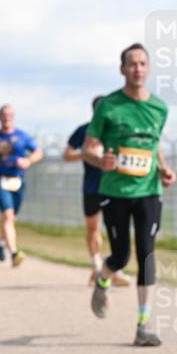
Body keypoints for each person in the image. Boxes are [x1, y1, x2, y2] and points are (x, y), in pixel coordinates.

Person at [83, 43, 176, 347]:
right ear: (123, 69)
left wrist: (164, 169)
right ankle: (103, 279)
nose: (138, 69)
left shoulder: (160, 108)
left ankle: (143, 326)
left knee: (146, 255)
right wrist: (101, 161)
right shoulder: (109, 106)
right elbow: (89, 148)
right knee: (121, 255)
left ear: (148, 68)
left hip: (148, 191)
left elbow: (154, 145)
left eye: (143, 63)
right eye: (132, 64)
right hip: (115, 191)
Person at [63, 96, 131, 286]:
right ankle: (96, 265)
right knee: (93, 229)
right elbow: (67, 155)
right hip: (92, 187)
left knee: (117, 228)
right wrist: (85, 154)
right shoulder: (84, 131)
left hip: (115, 187)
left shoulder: (118, 131)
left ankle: (113, 268)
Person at [0, 105, 43, 267]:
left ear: (13, 117)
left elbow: (38, 152)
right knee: (8, 215)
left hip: (17, 180)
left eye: (9, 115)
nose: (7, 118)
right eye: (4, 115)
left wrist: (28, 160)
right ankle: (13, 253)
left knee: (11, 217)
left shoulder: (22, 136)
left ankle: (0, 241)